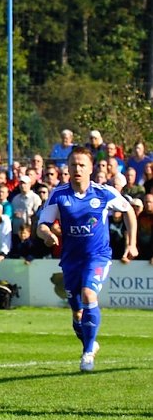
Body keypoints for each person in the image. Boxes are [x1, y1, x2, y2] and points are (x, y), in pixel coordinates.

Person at [37, 146, 137, 372]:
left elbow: (129, 211)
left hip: (98, 256)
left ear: (91, 168)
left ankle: (88, 353)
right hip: (71, 260)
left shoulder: (104, 193)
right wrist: (47, 234)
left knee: (89, 294)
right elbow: (42, 225)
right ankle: (90, 343)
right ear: (68, 168)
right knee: (77, 313)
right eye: (73, 164)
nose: (77, 169)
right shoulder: (59, 194)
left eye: (82, 165)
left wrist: (131, 243)